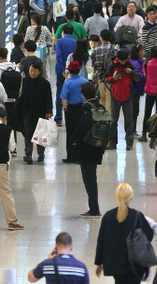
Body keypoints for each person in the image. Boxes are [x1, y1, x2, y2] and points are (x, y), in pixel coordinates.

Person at [95, 183, 155, 283]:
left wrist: (99, 263)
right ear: (131, 197)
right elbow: (149, 236)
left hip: (115, 264)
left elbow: (101, 241)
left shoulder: (108, 216)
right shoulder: (137, 216)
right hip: (134, 264)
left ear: (117, 196)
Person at [70, 83, 106, 218]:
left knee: (89, 179)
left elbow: (84, 125)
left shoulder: (86, 107)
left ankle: (94, 209)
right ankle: (94, 208)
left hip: (87, 148)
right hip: (98, 146)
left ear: (83, 94)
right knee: (92, 177)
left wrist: (74, 138)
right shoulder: (100, 106)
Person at [104, 50, 142, 151]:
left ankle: (129, 143)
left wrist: (132, 72)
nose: (123, 62)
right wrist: (113, 78)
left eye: (125, 60)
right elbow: (105, 78)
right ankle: (112, 143)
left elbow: (139, 77)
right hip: (115, 95)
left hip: (128, 96)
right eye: (122, 61)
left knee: (129, 121)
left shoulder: (130, 65)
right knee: (113, 121)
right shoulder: (112, 65)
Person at [18, 60, 53, 164]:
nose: (32, 73)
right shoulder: (25, 81)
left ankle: (41, 154)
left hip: (41, 113)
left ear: (39, 71)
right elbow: (22, 97)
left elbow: (48, 98)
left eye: (34, 71)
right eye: (30, 71)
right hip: (27, 112)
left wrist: (49, 110)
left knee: (40, 135)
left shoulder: (44, 83)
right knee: (28, 133)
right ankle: (28, 154)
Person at [60, 61, 88, 163]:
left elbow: (63, 97)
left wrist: (65, 107)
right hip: (83, 108)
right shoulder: (85, 81)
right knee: (82, 131)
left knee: (71, 132)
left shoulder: (67, 83)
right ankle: (81, 156)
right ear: (79, 70)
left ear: (70, 72)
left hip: (71, 109)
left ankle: (71, 156)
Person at [55, 25, 77, 126]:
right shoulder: (76, 42)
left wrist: (62, 69)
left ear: (63, 32)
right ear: (72, 33)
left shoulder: (59, 41)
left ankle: (59, 118)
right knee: (72, 93)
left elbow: (58, 55)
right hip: (73, 71)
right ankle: (72, 116)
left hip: (61, 71)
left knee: (60, 92)